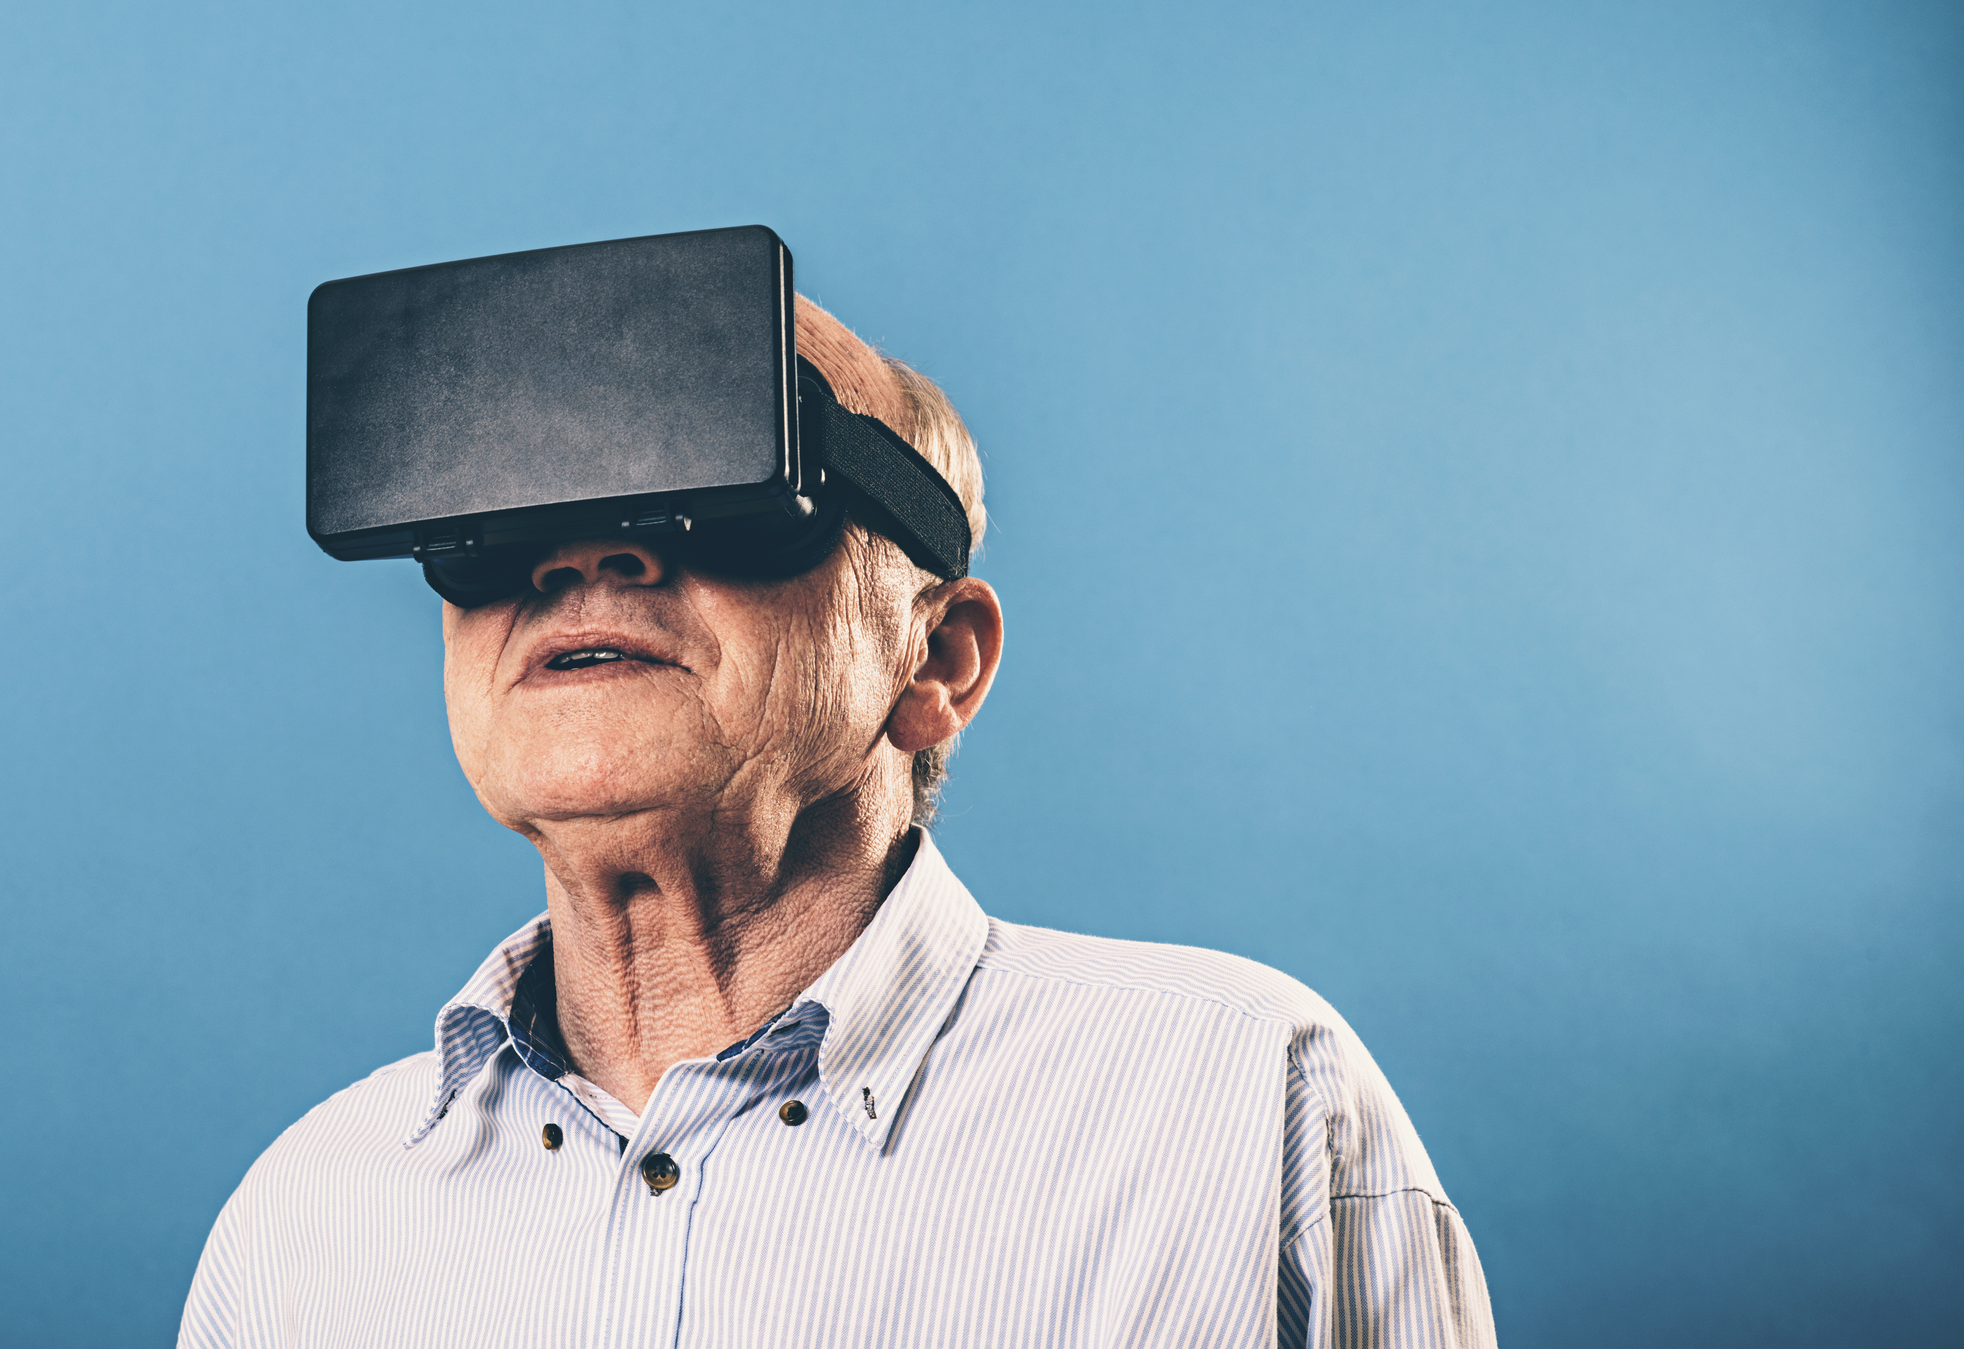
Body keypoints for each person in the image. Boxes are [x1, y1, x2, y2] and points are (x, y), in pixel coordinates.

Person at [179, 295, 1497, 1348]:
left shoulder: (1242, 1104)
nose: (582, 556)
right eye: (500, 514)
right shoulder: (301, 1222)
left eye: (728, 479)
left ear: (938, 661)